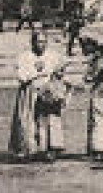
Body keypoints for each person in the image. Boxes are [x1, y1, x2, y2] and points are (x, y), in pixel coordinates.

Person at [9, 31, 68, 162]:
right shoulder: (24, 57)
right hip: (31, 92)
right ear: (32, 42)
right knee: (29, 120)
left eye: (44, 42)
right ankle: (30, 148)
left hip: (48, 91)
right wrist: (32, 78)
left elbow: (60, 69)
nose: (41, 45)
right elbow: (21, 75)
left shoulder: (53, 56)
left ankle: (50, 148)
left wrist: (57, 77)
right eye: (38, 42)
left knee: (50, 120)